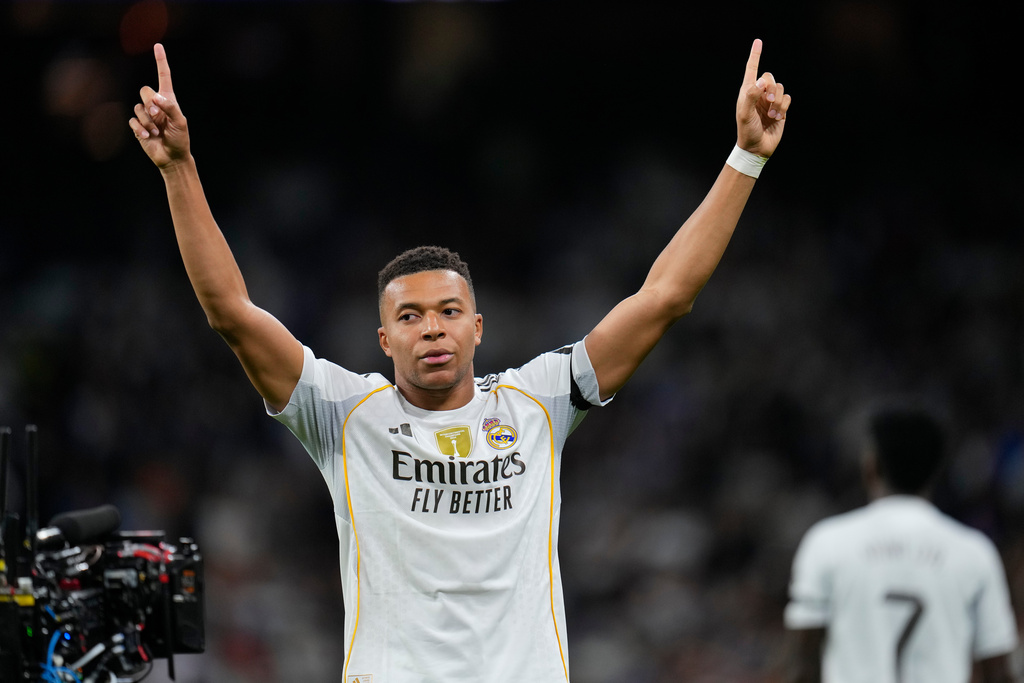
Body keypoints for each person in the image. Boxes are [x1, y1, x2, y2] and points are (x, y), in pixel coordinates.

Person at [129, 38, 791, 682]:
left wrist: (747, 157)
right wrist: (178, 168)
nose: (432, 329)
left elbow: (665, 297)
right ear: (384, 341)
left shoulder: (539, 399)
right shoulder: (344, 413)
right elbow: (231, 313)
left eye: (449, 311)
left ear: (477, 328)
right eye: (409, 317)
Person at [782, 403, 1019, 683]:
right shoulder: (974, 553)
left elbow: (802, 668)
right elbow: (998, 674)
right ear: (936, 469)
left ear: (871, 467)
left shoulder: (826, 544)